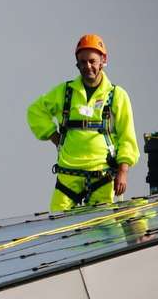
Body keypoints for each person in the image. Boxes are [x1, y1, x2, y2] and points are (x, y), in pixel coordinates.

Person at [27, 34, 138, 212]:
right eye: (82, 62)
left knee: (101, 231)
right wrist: (53, 135)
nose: (88, 66)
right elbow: (35, 111)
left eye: (92, 61)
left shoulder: (117, 95)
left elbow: (127, 136)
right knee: (58, 225)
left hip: (102, 174)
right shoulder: (65, 91)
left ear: (103, 60)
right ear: (77, 63)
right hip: (68, 173)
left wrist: (123, 172)